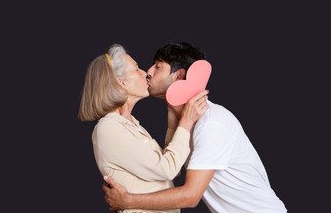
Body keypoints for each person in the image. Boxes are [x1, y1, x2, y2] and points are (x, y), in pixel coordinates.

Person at [103, 42, 287, 213]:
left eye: (158, 66)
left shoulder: (211, 123)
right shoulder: (186, 122)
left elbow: (190, 196)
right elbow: (170, 174)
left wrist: (128, 201)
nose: (148, 72)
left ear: (179, 76)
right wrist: (174, 116)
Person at [78, 44, 209, 213]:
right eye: (136, 69)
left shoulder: (132, 124)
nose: (145, 73)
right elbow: (167, 170)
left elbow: (170, 171)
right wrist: (186, 121)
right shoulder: (109, 128)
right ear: (121, 81)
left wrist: (172, 123)